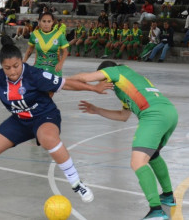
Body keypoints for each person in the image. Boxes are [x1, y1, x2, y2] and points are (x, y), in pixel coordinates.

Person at [0, 36, 113, 203]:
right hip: (19, 120)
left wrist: (93, 89)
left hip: (44, 116)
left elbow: (65, 83)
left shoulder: (34, 75)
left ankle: (76, 184)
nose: (12, 71)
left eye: (16, 66)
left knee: (48, 138)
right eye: (7, 68)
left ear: (21, 61)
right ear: (2, 66)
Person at [69, 60, 178, 220]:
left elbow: (85, 77)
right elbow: (123, 116)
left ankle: (156, 210)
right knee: (152, 154)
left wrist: (57, 82)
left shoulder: (116, 71)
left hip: (153, 115)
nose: (102, 83)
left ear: (105, 74)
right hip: (169, 113)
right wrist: (97, 110)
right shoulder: (127, 82)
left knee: (137, 162)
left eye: (102, 79)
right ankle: (168, 196)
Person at [23, 12, 69, 77]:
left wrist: (60, 63)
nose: (46, 24)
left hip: (54, 69)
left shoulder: (59, 35)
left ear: (52, 22)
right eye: (44, 21)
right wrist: (23, 62)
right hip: (39, 68)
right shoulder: (35, 34)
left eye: (49, 21)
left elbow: (65, 51)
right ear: (39, 22)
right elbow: (30, 49)